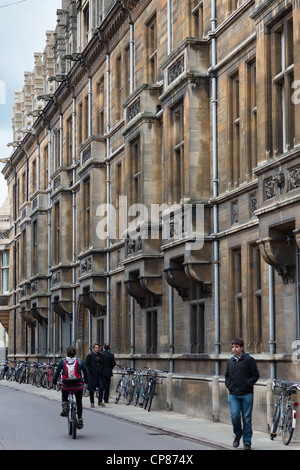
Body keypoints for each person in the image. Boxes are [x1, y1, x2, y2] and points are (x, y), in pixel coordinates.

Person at [225, 338, 259, 450]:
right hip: (233, 394)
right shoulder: (230, 361)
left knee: (247, 418)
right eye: (233, 347)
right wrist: (229, 385)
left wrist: (247, 384)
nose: (234, 349)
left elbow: (255, 375)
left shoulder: (249, 360)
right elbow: (227, 376)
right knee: (235, 416)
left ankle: (247, 442)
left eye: (236, 347)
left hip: (247, 394)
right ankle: (238, 435)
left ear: (242, 348)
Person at [53, 346, 88, 429]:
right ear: (75, 354)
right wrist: (85, 382)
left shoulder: (63, 361)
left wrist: (55, 382)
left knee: (64, 394)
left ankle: (65, 408)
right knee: (79, 402)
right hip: (78, 385)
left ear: (67, 354)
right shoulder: (79, 361)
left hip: (66, 385)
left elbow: (57, 372)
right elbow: (86, 371)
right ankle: (80, 419)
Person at [85, 342, 105, 407]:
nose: (97, 349)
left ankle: (100, 401)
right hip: (92, 375)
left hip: (99, 374)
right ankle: (92, 402)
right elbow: (86, 364)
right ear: (93, 348)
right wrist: (90, 370)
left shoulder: (101, 355)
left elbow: (102, 363)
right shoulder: (90, 355)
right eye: (96, 347)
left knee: (101, 386)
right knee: (91, 389)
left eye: (98, 348)